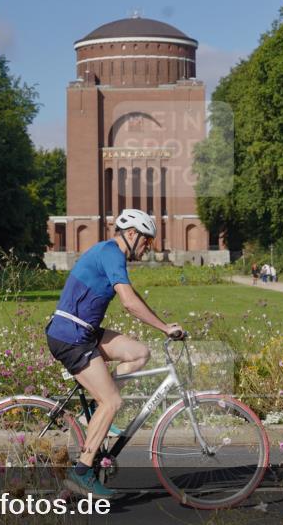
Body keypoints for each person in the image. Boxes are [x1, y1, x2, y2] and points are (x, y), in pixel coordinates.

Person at [46, 209, 184, 498]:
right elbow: (129, 304)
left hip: (84, 331)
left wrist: (164, 325)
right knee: (112, 401)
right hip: (70, 336)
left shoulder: (111, 253)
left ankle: (95, 415)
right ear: (131, 234)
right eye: (146, 241)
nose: (148, 248)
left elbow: (134, 297)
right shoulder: (111, 253)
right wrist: (163, 328)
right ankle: (82, 473)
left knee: (139, 353)